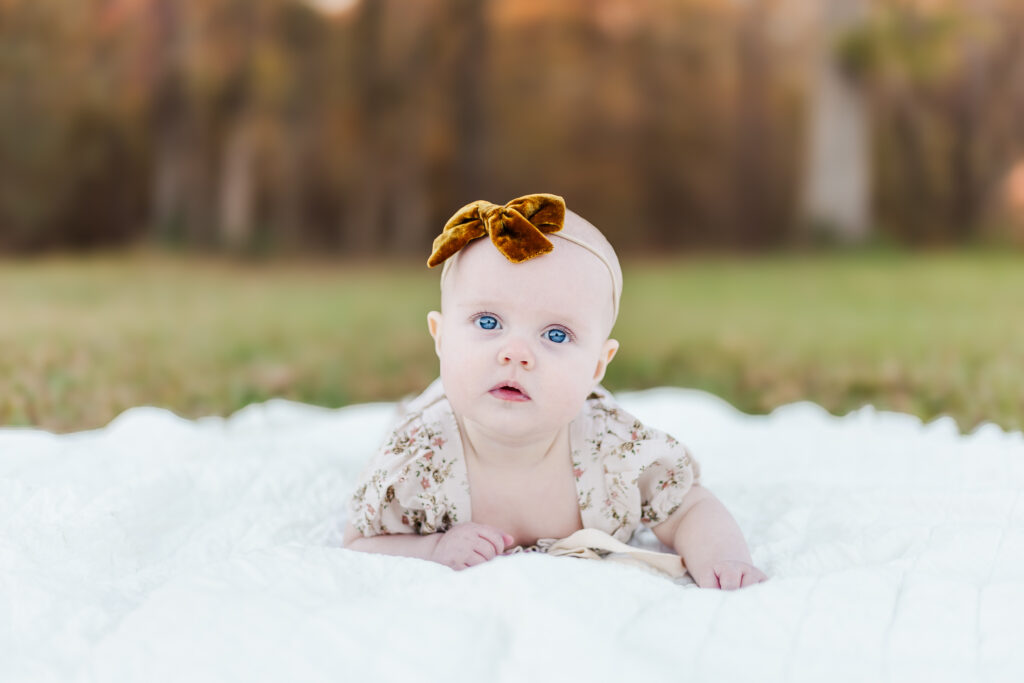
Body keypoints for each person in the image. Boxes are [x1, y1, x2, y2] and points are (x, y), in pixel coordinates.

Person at [343, 194, 767, 589]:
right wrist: (431, 548)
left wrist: (723, 556)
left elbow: (689, 506)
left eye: (557, 335)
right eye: (488, 323)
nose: (516, 354)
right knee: (416, 410)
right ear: (440, 337)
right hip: (443, 414)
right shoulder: (417, 459)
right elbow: (359, 541)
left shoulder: (616, 451)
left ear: (599, 365)